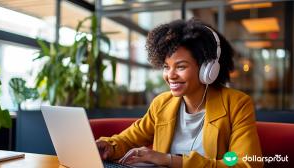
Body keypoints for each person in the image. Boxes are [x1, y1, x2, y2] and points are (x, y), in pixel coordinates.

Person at [96, 18, 263, 168]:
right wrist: (110, 146)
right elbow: (128, 139)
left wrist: (169, 160)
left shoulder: (237, 104)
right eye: (166, 67)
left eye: (181, 66)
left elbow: (245, 164)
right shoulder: (162, 103)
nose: (170, 75)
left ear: (208, 69)